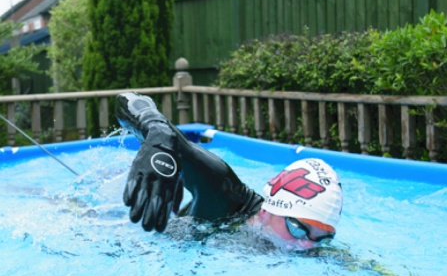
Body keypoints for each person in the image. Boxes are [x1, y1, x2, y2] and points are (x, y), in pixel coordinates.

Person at [116, 92, 343, 251]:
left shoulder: (312, 249)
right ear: (266, 211)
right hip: (130, 229)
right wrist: (158, 133)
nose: (307, 247)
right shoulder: (225, 194)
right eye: (298, 230)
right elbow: (127, 100)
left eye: (323, 239)